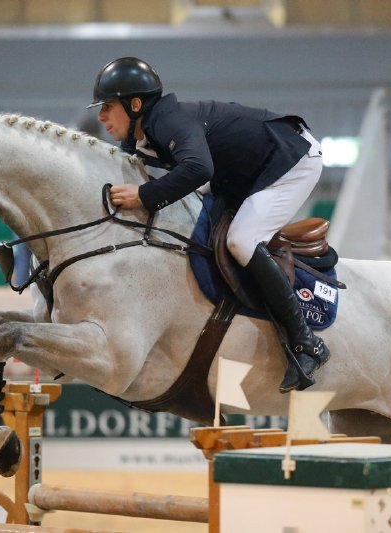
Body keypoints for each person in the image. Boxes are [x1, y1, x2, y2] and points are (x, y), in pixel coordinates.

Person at [89, 57, 329, 393]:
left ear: (135, 104)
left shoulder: (169, 121)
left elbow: (199, 169)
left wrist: (145, 195)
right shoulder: (140, 135)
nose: (101, 116)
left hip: (291, 161)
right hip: (240, 172)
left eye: (108, 107)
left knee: (241, 241)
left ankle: (306, 343)